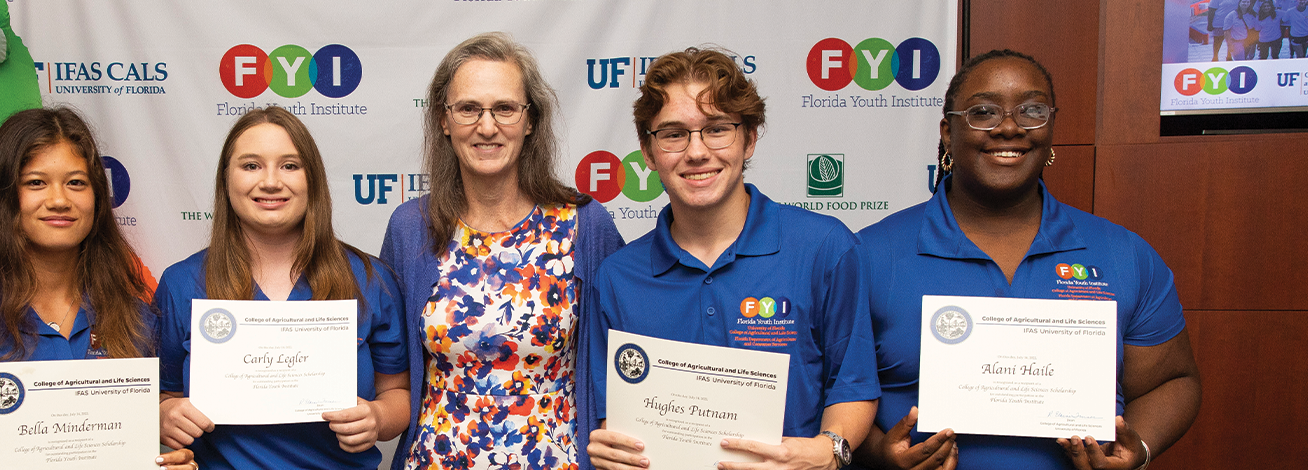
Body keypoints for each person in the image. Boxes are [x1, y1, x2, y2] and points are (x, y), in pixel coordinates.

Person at [850, 50, 1200, 470]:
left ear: (1050, 127)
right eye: (984, 111)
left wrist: (1137, 449)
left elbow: (1174, 382)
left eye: (1031, 110)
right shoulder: (870, 254)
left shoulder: (1122, 253)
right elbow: (822, 388)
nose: (1010, 127)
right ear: (948, 131)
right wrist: (875, 455)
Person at [583, 47, 879, 470]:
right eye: (673, 134)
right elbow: (614, 414)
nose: (697, 152)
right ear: (648, 154)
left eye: (717, 129)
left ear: (750, 138)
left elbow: (853, 383)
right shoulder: (616, 277)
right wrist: (615, 455)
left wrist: (830, 449)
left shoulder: (824, 248)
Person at [0, 107, 195, 469]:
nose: (59, 200)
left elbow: (142, 445)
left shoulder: (136, 316)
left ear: (97, 199)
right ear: (5, 196)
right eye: (36, 183)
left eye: (76, 183)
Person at [382, 32, 625, 470]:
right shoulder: (410, 227)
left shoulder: (584, 224)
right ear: (444, 119)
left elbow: (625, 352)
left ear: (530, 120)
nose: (487, 126)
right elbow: (389, 365)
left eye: (505, 108)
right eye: (469, 108)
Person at [153, 106, 409, 469]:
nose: (271, 181)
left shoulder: (370, 279)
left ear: (313, 180)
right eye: (251, 165)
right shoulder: (181, 283)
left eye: (290, 165)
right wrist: (166, 414)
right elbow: (164, 394)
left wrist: (379, 418)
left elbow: (398, 393)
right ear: (227, 179)